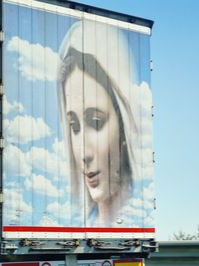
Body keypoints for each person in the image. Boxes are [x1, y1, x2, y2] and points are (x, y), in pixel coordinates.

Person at [57, 20, 141, 227]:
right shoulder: (83, 225)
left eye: (96, 122)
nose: (83, 153)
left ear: (123, 127)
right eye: (74, 127)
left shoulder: (137, 214)